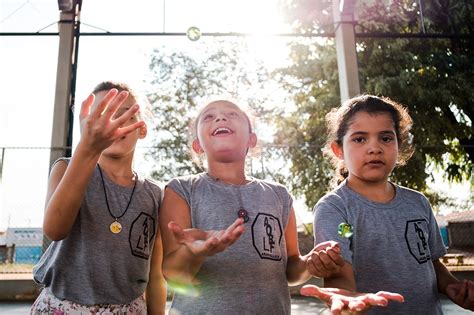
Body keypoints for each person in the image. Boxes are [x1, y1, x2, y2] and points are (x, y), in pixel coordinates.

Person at [159, 99, 403, 315]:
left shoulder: (279, 195)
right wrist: (194, 251)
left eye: (232, 114)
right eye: (209, 117)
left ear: (251, 140)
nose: (221, 117)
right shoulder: (181, 189)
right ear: (197, 145)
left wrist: (310, 263)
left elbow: (291, 271)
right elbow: (173, 273)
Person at [310, 94, 474, 314]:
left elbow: (431, 262)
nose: (374, 148)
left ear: (399, 145)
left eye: (385, 138)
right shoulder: (335, 208)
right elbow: (338, 271)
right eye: (360, 139)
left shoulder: (418, 203)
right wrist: (348, 300)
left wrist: (451, 285)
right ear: (338, 150)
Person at [31, 81, 167, 314]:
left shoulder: (155, 194)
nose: (113, 123)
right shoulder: (67, 168)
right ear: (87, 127)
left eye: (124, 115)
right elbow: (54, 229)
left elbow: (155, 275)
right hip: (63, 306)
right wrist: (88, 148)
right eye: (103, 115)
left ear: (142, 129)